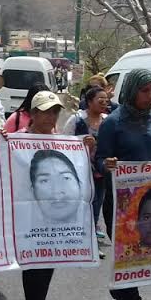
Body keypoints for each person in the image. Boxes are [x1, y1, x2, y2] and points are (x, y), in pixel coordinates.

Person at [96, 68, 151, 300]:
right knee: (128, 253)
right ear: (131, 90)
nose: (150, 96)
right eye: (144, 91)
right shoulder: (113, 122)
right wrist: (106, 165)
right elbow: (100, 159)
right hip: (121, 201)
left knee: (141, 254)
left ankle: (121, 288)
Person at [18, 90, 94, 300]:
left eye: (54, 111)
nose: (51, 116)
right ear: (33, 113)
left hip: (53, 221)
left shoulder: (61, 140)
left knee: (47, 264)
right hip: (29, 217)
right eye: (46, 111)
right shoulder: (18, 140)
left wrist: (86, 150)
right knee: (32, 267)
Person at [62, 86, 109, 241]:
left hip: (99, 172)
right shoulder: (76, 119)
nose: (104, 103)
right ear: (89, 102)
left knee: (96, 205)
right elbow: (63, 142)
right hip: (79, 171)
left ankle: (92, 243)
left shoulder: (108, 122)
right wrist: (81, 141)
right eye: (100, 100)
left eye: (106, 100)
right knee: (80, 204)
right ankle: (78, 240)